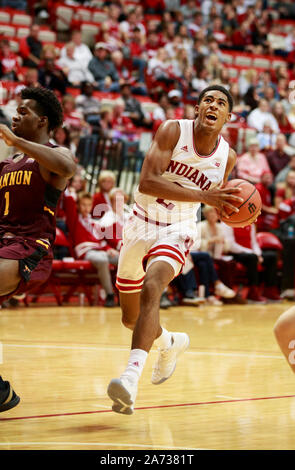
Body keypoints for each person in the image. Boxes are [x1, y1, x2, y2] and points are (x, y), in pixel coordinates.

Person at [107, 85, 245, 415]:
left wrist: (232, 210)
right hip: (140, 220)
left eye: (221, 103)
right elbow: (147, 182)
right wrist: (204, 198)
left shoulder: (228, 156)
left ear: (228, 116)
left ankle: (129, 379)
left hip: (178, 227)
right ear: (198, 108)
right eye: (208, 100)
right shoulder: (172, 130)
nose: (213, 105)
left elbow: (219, 200)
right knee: (130, 318)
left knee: (153, 287)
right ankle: (168, 342)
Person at [0, 86, 76, 412]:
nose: (16, 115)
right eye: (15, 111)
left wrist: (16, 141)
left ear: (43, 121)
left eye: (24, 112)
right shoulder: (7, 164)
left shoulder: (54, 156)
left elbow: (68, 167)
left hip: (30, 246)